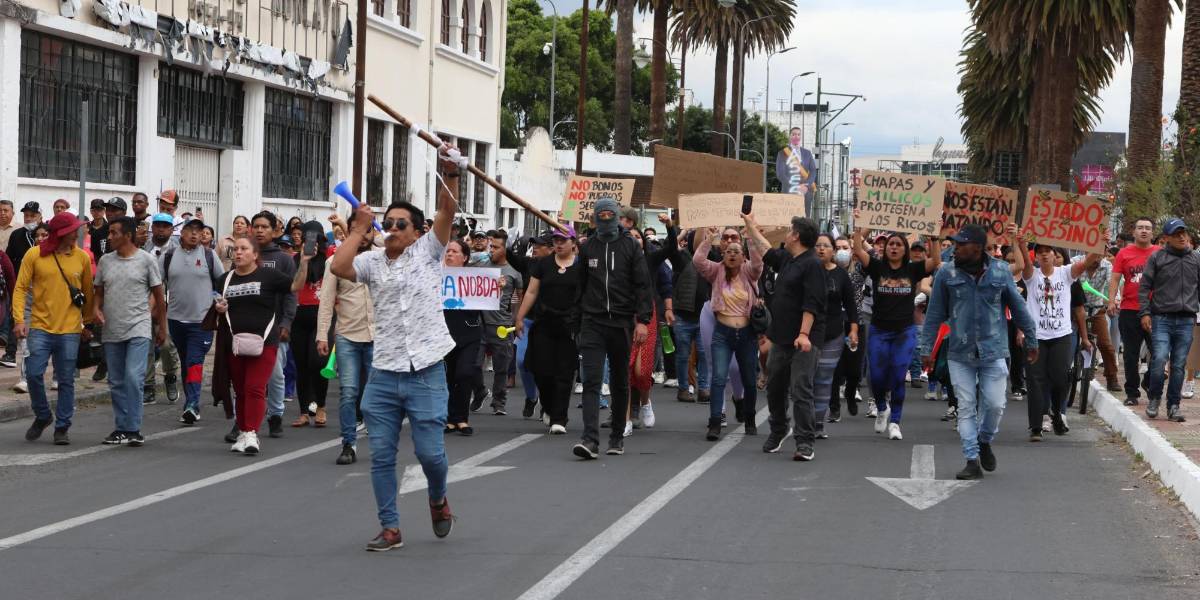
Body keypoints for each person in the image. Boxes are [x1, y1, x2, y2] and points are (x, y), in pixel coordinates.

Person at [329, 151, 460, 552]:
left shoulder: (429, 251)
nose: (393, 228)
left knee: (431, 455)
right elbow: (338, 268)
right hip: (384, 372)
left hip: (426, 370)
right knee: (382, 454)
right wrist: (358, 228)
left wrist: (450, 170)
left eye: (400, 224)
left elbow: (446, 210)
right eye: (388, 224)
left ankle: (437, 499)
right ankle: (390, 527)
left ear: (418, 230)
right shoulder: (370, 261)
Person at [921, 224, 1039, 480]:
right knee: (966, 407)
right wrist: (926, 348)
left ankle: (984, 440)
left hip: (994, 350)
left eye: (962, 244)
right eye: (955, 243)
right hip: (960, 352)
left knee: (995, 405)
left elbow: (1018, 307)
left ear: (977, 247)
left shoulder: (999, 271)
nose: (956, 248)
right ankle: (971, 459)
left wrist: (1031, 339)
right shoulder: (946, 274)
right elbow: (934, 315)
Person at [571, 198, 653, 460]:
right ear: (594, 218)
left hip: (622, 322)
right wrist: (576, 320)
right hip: (593, 322)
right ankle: (590, 439)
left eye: (610, 213)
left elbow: (642, 285)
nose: (606, 217)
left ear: (617, 216)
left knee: (619, 381)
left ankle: (617, 435)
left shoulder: (630, 246)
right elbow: (579, 285)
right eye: (601, 214)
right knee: (592, 381)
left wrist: (643, 320)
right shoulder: (588, 248)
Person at [851, 227, 941, 440]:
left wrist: (934, 238)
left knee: (898, 376)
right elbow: (857, 249)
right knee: (878, 375)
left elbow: (935, 261)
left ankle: (895, 422)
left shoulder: (913, 270)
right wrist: (861, 229)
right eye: (891, 244)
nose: (893, 247)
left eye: (898, 244)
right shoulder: (876, 267)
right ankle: (882, 407)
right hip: (879, 330)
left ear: (905, 250)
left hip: (904, 332)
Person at [13, 213, 95, 445]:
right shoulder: (35, 254)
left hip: (70, 331)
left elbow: (87, 293)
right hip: (39, 327)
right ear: (60, 233)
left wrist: (87, 324)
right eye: (72, 230)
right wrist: (19, 320)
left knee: (66, 380)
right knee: (33, 373)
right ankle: (42, 415)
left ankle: (62, 427)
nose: (76, 233)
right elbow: (20, 289)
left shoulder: (81, 257)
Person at [93, 216, 167, 446]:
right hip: (112, 328)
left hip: (139, 326)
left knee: (133, 377)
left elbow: (158, 295)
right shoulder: (105, 261)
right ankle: (121, 427)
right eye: (109, 232)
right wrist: (95, 309)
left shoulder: (146, 260)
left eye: (114, 232)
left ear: (128, 235)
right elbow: (98, 292)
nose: (110, 236)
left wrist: (162, 326)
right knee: (116, 381)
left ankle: (133, 428)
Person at [214, 238, 292, 456]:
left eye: (244, 249)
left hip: (265, 341)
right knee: (240, 391)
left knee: (255, 388)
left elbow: (294, 287)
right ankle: (242, 433)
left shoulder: (269, 275)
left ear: (255, 254)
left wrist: (303, 262)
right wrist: (218, 306)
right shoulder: (225, 279)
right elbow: (216, 299)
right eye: (235, 249)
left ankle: (251, 433)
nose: (238, 253)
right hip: (235, 342)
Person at [759, 217, 826, 460]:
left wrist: (804, 334)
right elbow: (766, 250)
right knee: (775, 387)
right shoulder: (788, 259)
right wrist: (749, 227)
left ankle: (805, 442)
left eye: (789, 231)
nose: (786, 234)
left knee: (800, 389)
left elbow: (812, 303)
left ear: (796, 236)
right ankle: (778, 430)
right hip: (781, 336)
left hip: (804, 339)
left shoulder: (813, 265)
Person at [692, 214, 764, 441]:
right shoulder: (715, 271)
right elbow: (697, 261)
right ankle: (715, 422)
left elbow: (759, 261)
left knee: (748, 379)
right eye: (728, 250)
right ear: (722, 254)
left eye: (737, 251)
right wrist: (708, 238)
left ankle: (750, 419)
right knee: (718, 377)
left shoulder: (750, 272)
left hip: (746, 334)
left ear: (743, 256)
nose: (732, 254)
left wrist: (750, 239)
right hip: (722, 333)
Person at [1021, 240, 1101, 441]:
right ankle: (1036, 427)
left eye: (1048, 251)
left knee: (1060, 378)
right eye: (1040, 252)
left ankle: (1057, 412)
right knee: (1036, 381)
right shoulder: (1031, 276)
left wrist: (1099, 242)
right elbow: (1025, 262)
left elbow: (1087, 261)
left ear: (1054, 253)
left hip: (1061, 335)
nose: (1045, 255)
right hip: (1036, 337)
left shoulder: (1065, 273)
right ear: (1036, 256)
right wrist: (1020, 242)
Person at [317, 212, 376, 464]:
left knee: (375, 392)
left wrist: (368, 226)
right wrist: (322, 335)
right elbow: (327, 300)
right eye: (356, 230)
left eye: (366, 231)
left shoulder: (382, 259)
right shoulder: (335, 262)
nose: (361, 235)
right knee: (348, 391)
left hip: (379, 336)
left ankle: (379, 437)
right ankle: (348, 444)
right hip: (347, 336)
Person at [515, 225, 581, 434]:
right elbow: (532, 292)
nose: (559, 244)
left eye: (563, 240)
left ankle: (559, 418)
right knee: (542, 371)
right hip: (543, 323)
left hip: (568, 326)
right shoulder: (543, 265)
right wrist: (520, 317)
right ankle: (548, 406)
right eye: (556, 240)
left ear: (573, 243)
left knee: (564, 373)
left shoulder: (582, 267)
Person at [162, 218, 224, 425]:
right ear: (182, 233)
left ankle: (192, 405)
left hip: (202, 321)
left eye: (199, 230)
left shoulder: (209, 255)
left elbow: (222, 282)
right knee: (186, 362)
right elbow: (156, 282)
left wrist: (217, 301)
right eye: (190, 230)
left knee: (194, 361)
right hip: (176, 320)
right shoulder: (169, 255)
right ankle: (190, 401)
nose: (195, 234)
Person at [1138, 218, 1199, 422]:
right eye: (1176, 234)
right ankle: (1154, 397)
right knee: (1159, 359)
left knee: (1179, 364)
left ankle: (1174, 405)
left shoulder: (1196, 259)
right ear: (1166, 239)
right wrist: (1145, 313)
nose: (1181, 237)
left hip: (1186, 320)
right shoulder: (1157, 258)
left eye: (1184, 233)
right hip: (1161, 318)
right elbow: (1145, 287)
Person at [251, 211, 298, 438]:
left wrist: (287, 322)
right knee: (247, 376)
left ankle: (276, 415)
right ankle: (246, 418)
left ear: (274, 231)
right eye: (256, 226)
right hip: (248, 326)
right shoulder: (246, 254)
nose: (259, 230)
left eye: (264, 227)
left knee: (276, 375)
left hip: (275, 326)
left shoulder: (284, 260)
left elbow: (291, 295)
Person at [1108, 217, 1160, 406]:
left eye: (1147, 228)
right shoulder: (1124, 253)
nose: (1144, 231)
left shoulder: (1159, 252)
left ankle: (1148, 381)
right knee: (1130, 354)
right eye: (1140, 228)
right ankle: (1132, 393)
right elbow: (1115, 279)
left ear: (1152, 233)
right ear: (1134, 232)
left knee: (1159, 353)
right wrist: (1112, 300)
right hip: (1129, 309)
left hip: (1155, 310)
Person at [811, 233, 858, 438]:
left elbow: (851, 306)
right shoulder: (805, 271)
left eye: (826, 246)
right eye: (817, 245)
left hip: (833, 334)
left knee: (823, 380)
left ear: (833, 251)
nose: (821, 249)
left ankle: (818, 423)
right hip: (807, 334)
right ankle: (806, 420)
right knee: (806, 380)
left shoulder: (841, 275)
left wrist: (854, 330)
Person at [289, 221, 333, 427]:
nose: (312, 243)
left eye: (316, 239)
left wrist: (341, 223)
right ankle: (304, 411)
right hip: (298, 317)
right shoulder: (295, 259)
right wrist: (304, 261)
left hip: (321, 317)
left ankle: (321, 405)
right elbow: (292, 286)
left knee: (318, 363)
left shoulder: (330, 259)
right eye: (308, 238)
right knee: (302, 366)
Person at [476, 229, 522, 416]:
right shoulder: (481, 266)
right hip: (478, 324)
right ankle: (479, 391)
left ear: (505, 249)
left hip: (501, 325)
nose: (491, 250)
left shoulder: (514, 272)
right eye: (490, 246)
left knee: (501, 367)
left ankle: (498, 402)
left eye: (495, 247)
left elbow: (520, 297)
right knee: (473, 364)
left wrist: (517, 320)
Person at [664, 228, 712, 403]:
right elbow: (668, 246)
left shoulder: (710, 258)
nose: (705, 241)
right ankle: (683, 389)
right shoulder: (682, 257)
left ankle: (704, 389)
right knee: (683, 355)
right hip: (683, 316)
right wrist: (683, 231)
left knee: (704, 354)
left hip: (704, 316)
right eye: (702, 238)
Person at [441, 238, 484, 436]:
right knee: (448, 377)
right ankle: (451, 419)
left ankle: (462, 417)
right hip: (444, 333)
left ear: (465, 257)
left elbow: (483, 301)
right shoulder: (436, 276)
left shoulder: (475, 278)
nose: (449, 254)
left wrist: (495, 288)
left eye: (454, 252)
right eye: (447, 251)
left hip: (469, 333)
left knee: (465, 373)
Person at [142, 213, 181, 405]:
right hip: (142, 301)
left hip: (167, 302)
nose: (161, 229)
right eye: (157, 225)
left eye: (165, 226)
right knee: (145, 345)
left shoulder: (176, 250)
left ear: (172, 230)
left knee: (166, 344)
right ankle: (148, 385)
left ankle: (170, 376)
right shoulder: (143, 247)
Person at [829, 236, 866, 420]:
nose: (841, 251)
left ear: (852, 252)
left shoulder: (858, 271)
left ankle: (851, 393)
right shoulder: (826, 271)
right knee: (834, 369)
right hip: (834, 325)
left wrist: (860, 232)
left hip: (856, 325)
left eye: (845, 247)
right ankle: (834, 407)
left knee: (854, 369)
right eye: (838, 247)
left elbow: (870, 255)